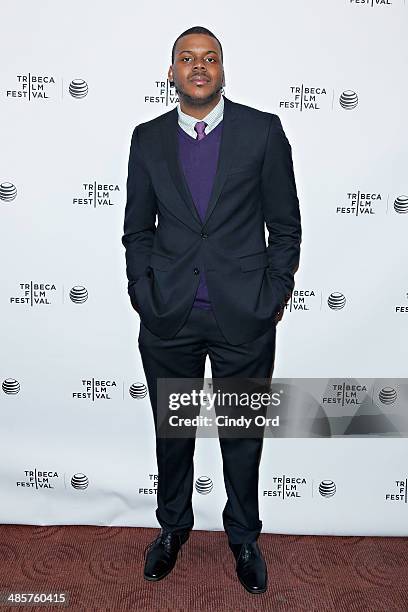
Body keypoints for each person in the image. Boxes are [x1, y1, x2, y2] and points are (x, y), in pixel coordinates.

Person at [122, 25, 302, 594]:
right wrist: (142, 291)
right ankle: (173, 528)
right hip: (169, 316)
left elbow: (286, 226)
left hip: (242, 318)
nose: (199, 67)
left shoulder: (262, 133)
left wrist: (271, 296)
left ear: (222, 70)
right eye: (186, 58)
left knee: (242, 434)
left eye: (210, 58)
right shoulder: (147, 139)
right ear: (171, 72)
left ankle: (244, 536)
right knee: (172, 434)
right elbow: (136, 229)